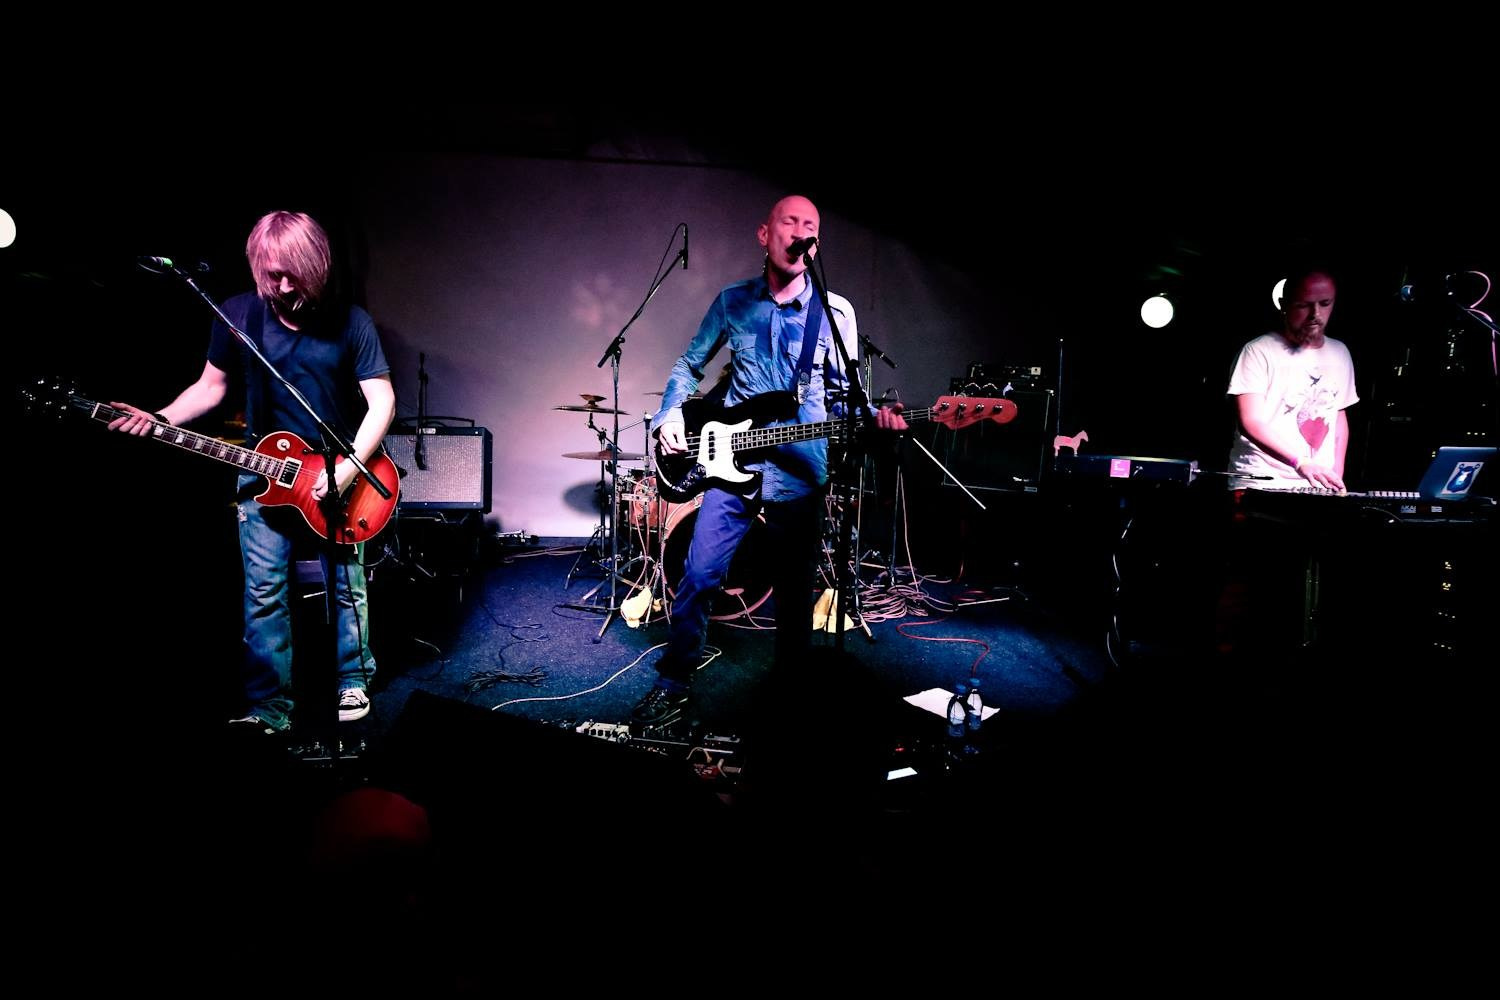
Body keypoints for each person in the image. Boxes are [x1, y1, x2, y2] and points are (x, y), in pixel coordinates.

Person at [109, 211, 396, 732]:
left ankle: (353, 679)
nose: (284, 288)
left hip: (335, 472)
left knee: (345, 585)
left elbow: (382, 401)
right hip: (262, 472)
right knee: (264, 594)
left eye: (294, 275)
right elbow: (211, 387)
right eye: (273, 275)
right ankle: (269, 706)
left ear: (318, 264)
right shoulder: (240, 314)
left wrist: (349, 469)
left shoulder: (351, 321)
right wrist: (159, 418)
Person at [632, 194, 906, 727]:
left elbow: (844, 397)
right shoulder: (733, 301)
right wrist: (669, 415)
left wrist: (874, 417)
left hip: (801, 471)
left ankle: (790, 701)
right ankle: (673, 681)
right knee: (699, 575)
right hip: (732, 464)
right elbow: (688, 366)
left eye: (810, 225)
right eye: (789, 222)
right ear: (765, 234)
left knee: (796, 595)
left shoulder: (835, 313)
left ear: (816, 243)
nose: (800, 232)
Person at [1227, 266, 1358, 491]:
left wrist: (1336, 476)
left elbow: (1338, 418)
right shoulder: (1257, 351)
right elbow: (1250, 421)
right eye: (1303, 305)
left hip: (1316, 485)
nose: (1315, 314)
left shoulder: (1340, 352)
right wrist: (1300, 462)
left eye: (1325, 303)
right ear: (1284, 305)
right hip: (1260, 482)